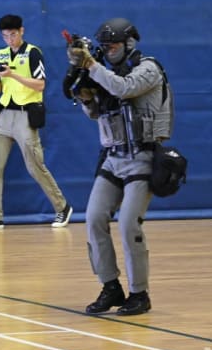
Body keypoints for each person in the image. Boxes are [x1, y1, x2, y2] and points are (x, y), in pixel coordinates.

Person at [67, 17, 172, 316]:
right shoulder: (105, 73)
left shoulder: (148, 69)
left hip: (143, 157)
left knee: (128, 224)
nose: (108, 50)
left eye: (112, 45)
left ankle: (139, 293)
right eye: (104, 46)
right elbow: (96, 113)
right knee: (93, 219)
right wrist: (86, 96)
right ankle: (110, 286)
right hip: (113, 158)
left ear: (129, 43)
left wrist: (90, 65)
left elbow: (124, 88)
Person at [0, 14, 72, 230]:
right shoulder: (1, 54)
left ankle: (62, 207)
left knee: (35, 166)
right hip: (5, 114)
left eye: (13, 35)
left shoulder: (33, 52)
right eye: (5, 36)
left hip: (26, 115)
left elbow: (40, 85)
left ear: (22, 31)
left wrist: (12, 74)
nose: (10, 40)